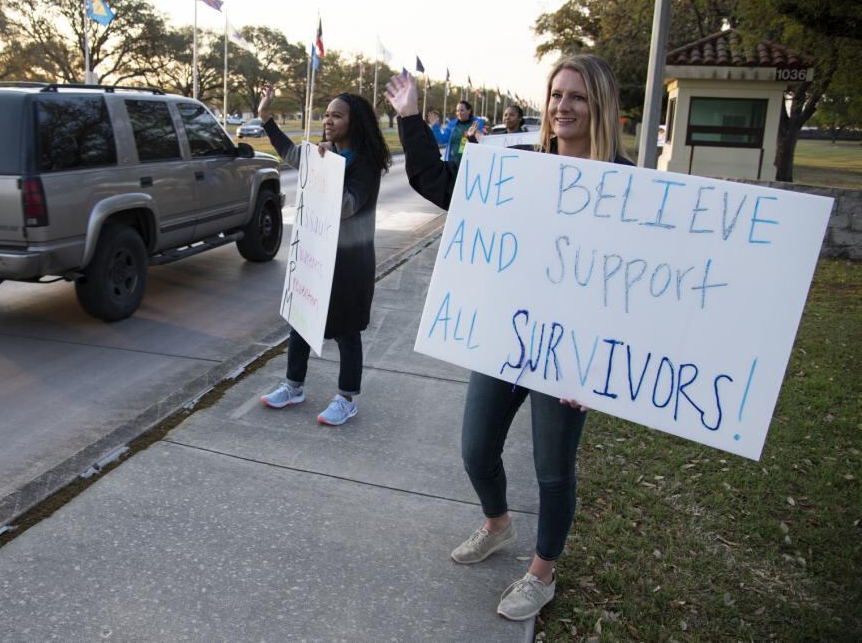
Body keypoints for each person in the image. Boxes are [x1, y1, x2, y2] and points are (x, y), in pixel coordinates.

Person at [384, 55, 633, 621]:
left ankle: (542, 571)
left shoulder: (625, 185)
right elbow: (436, 182)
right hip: (507, 338)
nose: (562, 107)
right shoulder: (520, 167)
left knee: (553, 468)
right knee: (476, 449)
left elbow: (632, 293)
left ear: (600, 105)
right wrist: (412, 118)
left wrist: (593, 368)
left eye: (577, 97)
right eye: (555, 95)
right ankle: (497, 525)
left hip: (569, 355)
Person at [258, 86, 392, 426]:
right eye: (327, 114)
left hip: (350, 260)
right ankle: (293, 386)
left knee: (347, 330)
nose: (328, 120)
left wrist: (328, 164)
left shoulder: (367, 163)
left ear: (354, 121)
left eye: (337, 115)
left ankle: (346, 398)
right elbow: (289, 153)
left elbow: (347, 206)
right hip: (316, 252)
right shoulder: (323, 154)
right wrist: (265, 117)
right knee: (301, 321)